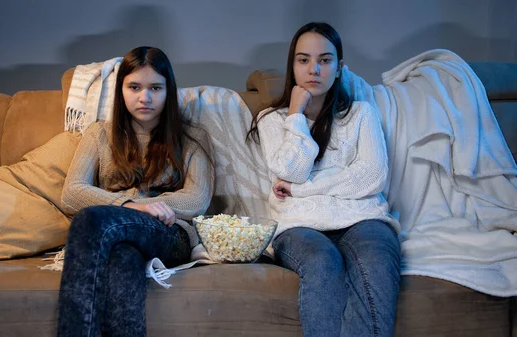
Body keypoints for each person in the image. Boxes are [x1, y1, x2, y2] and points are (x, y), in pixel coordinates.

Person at [247, 22, 401, 337]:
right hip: (299, 225)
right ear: (292, 66)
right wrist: (296, 115)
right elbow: (292, 170)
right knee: (322, 262)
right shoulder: (272, 120)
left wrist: (303, 189)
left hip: (363, 219)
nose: (313, 69)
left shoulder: (362, 115)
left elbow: (371, 176)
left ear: (340, 68)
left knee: (376, 263)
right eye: (303, 60)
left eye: (325, 60)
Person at [57, 46, 214, 337]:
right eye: (134, 87)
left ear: (168, 91)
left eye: (155, 87)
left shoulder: (192, 137)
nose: (145, 97)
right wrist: (133, 205)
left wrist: (154, 208)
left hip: (168, 233)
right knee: (122, 260)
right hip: (118, 233)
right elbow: (72, 193)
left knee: (90, 220)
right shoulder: (99, 134)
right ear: (121, 90)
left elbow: (197, 198)